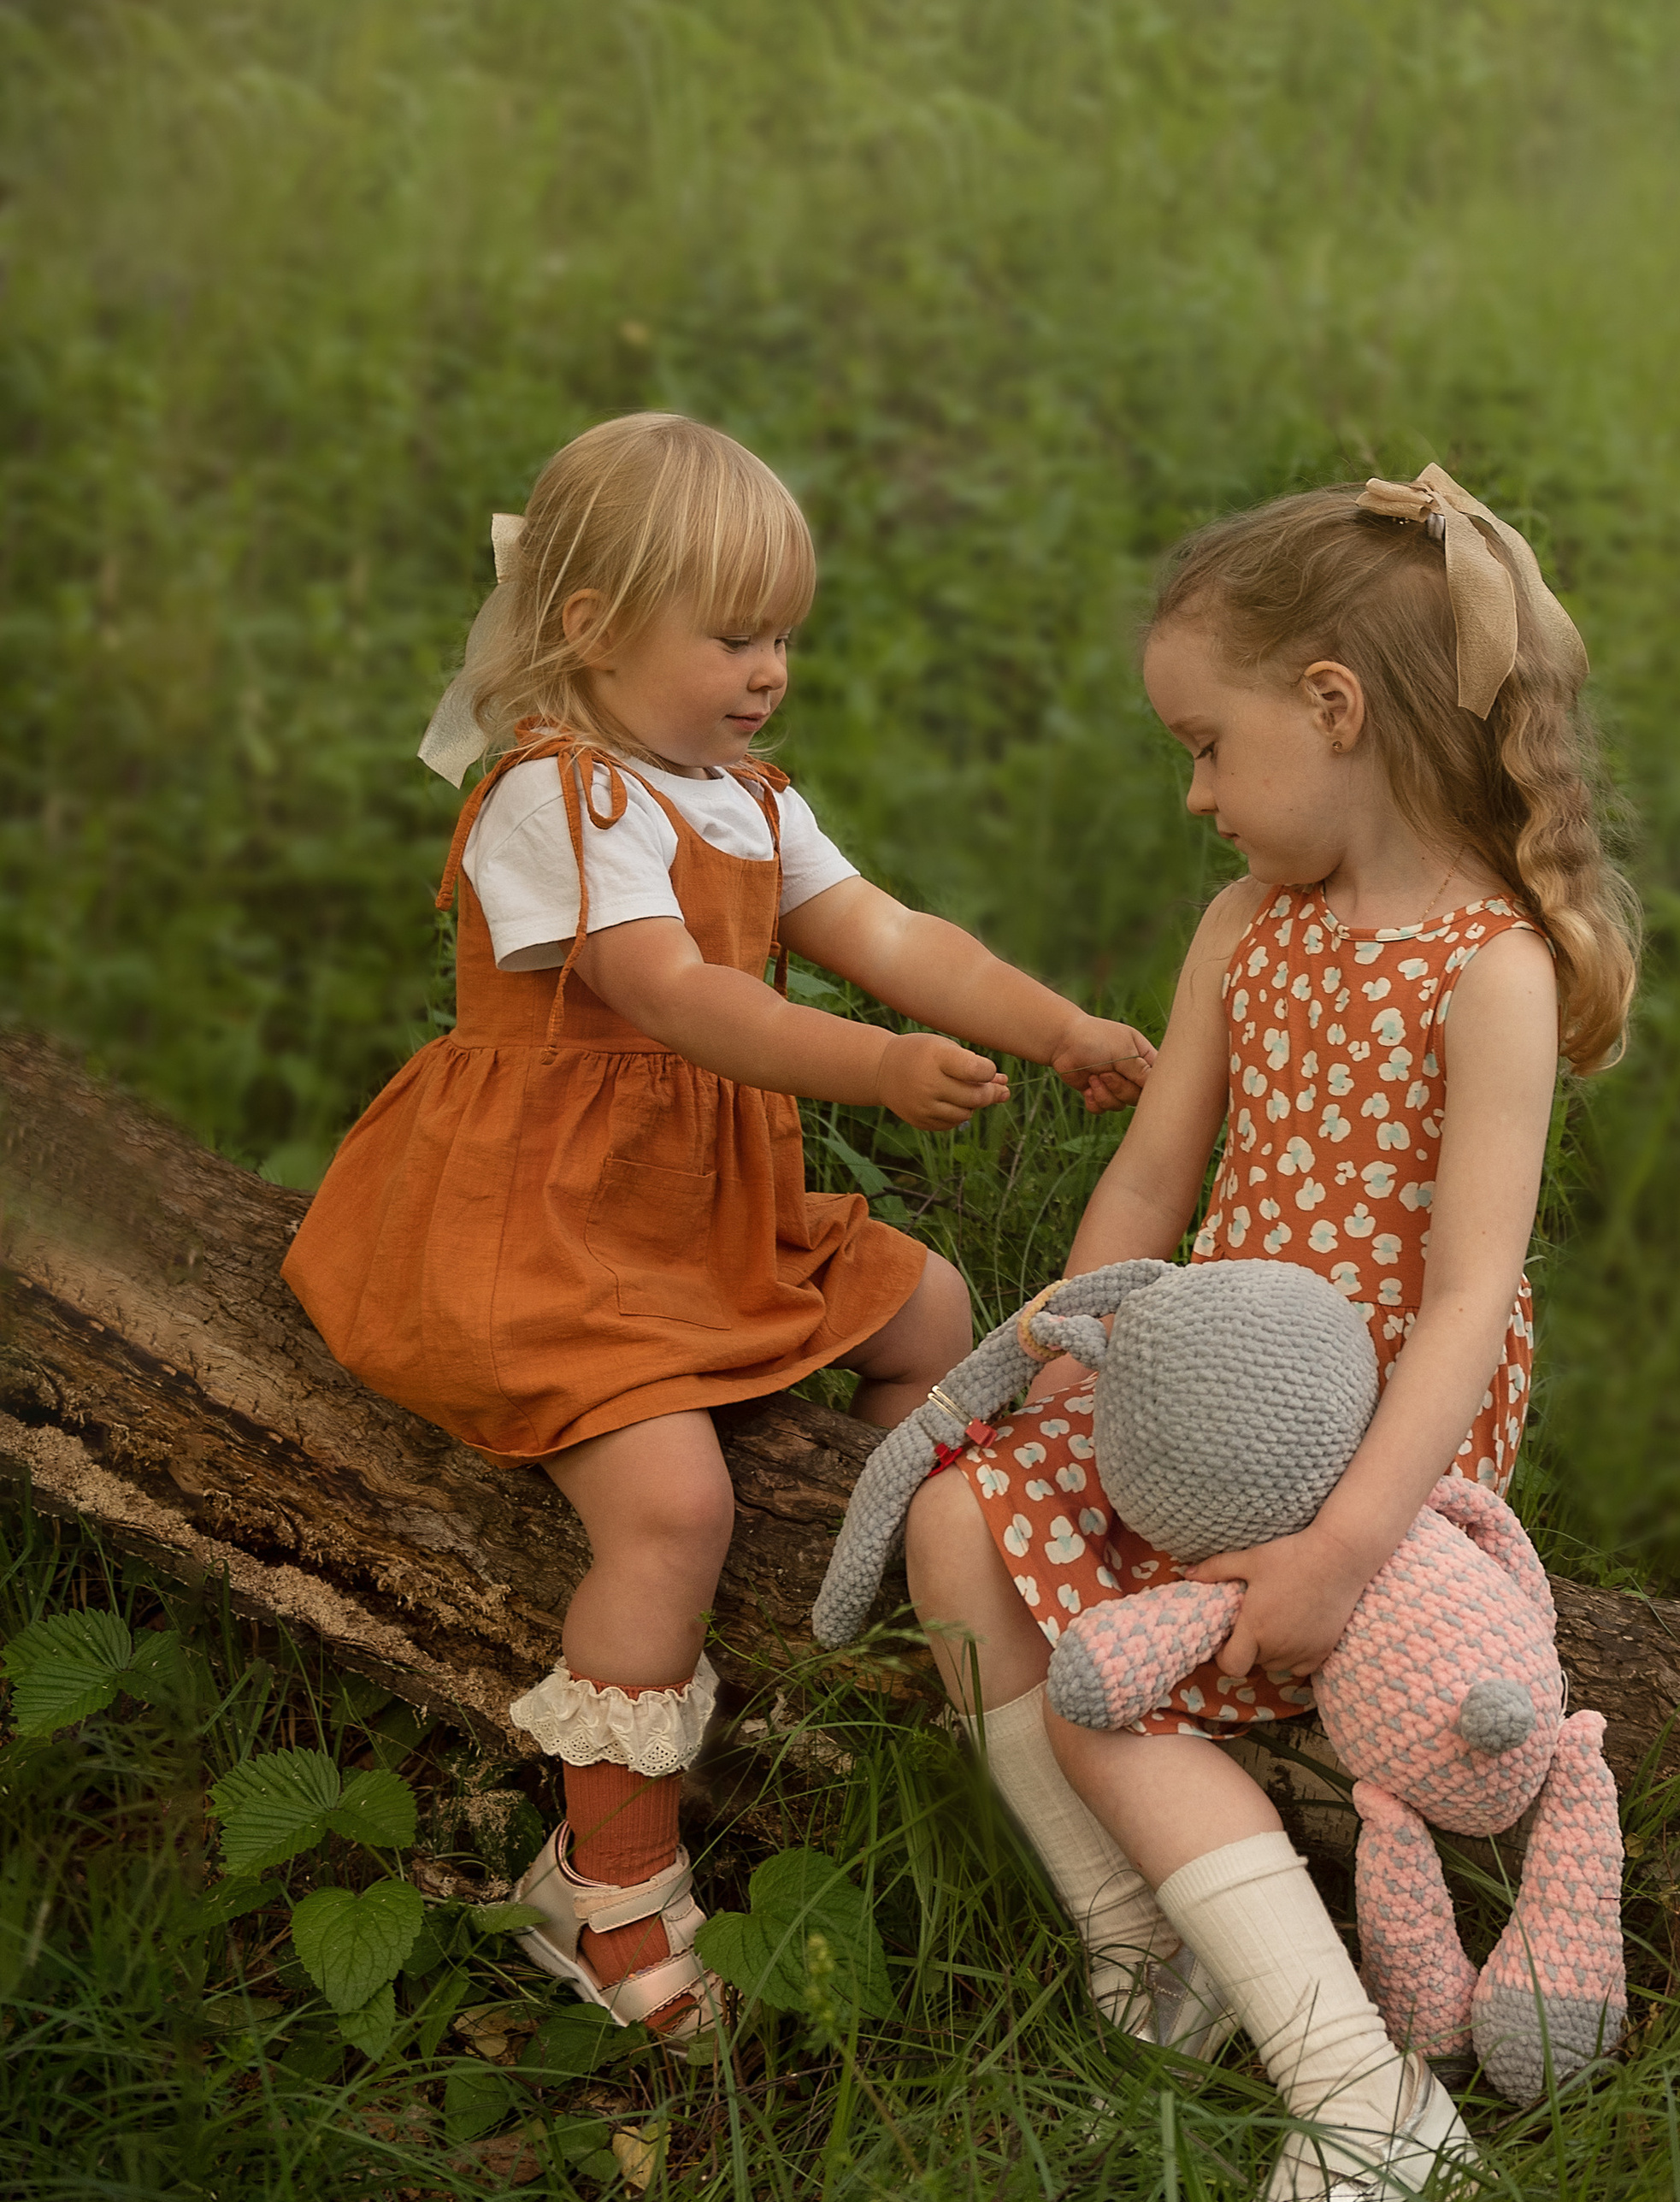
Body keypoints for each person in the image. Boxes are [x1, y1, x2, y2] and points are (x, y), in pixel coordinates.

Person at [284, 410, 1153, 2046]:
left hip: (694, 1211)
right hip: (548, 1221)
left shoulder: (739, 793)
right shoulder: (564, 798)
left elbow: (889, 929)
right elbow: (673, 999)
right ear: (595, 631)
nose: (769, 673)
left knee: (934, 1309)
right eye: (734, 636)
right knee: (672, 1505)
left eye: (784, 638)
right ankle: (599, 1886)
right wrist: (875, 1069)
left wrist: (1056, 1029)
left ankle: (908, 1572)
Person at [905, 465, 1639, 2202]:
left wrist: (1343, 1541)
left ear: (1331, 709)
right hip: (1203, 1402)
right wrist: (1078, 1346)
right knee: (949, 1524)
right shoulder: (1246, 926)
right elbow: (1154, 1172)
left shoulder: (1489, 970)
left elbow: (1467, 1296)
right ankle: (1147, 1948)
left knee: (1109, 1686)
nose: (1193, 793)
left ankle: (1358, 2095)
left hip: (1375, 1455)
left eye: (1208, 746)